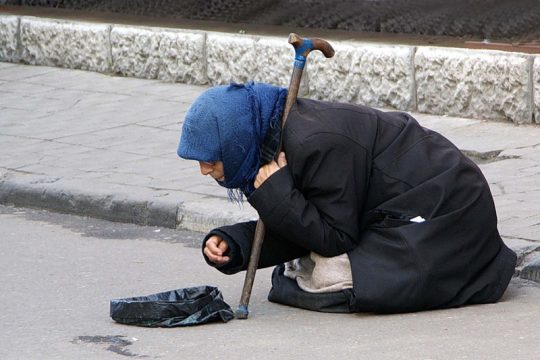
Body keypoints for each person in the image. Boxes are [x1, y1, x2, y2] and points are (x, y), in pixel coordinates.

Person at [177, 81, 517, 313]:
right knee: (304, 269)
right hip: (402, 211)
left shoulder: (314, 143)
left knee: (323, 274)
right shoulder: (272, 137)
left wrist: (275, 193)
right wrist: (233, 243)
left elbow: (333, 236)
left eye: (210, 159)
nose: (205, 170)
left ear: (236, 140)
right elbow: (303, 220)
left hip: (446, 220)